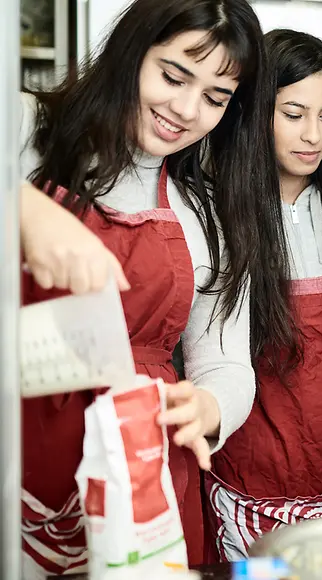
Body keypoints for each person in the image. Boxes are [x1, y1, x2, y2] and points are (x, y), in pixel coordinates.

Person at [18, 0, 289, 575]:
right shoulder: (26, 133)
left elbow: (226, 364)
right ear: (132, 51)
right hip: (19, 455)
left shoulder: (207, 214)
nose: (185, 111)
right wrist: (25, 210)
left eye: (216, 98)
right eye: (173, 76)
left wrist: (210, 406)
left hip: (143, 472)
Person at [205, 29, 322, 561]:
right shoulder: (212, 213)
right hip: (244, 478)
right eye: (293, 114)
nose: (313, 134)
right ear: (253, 113)